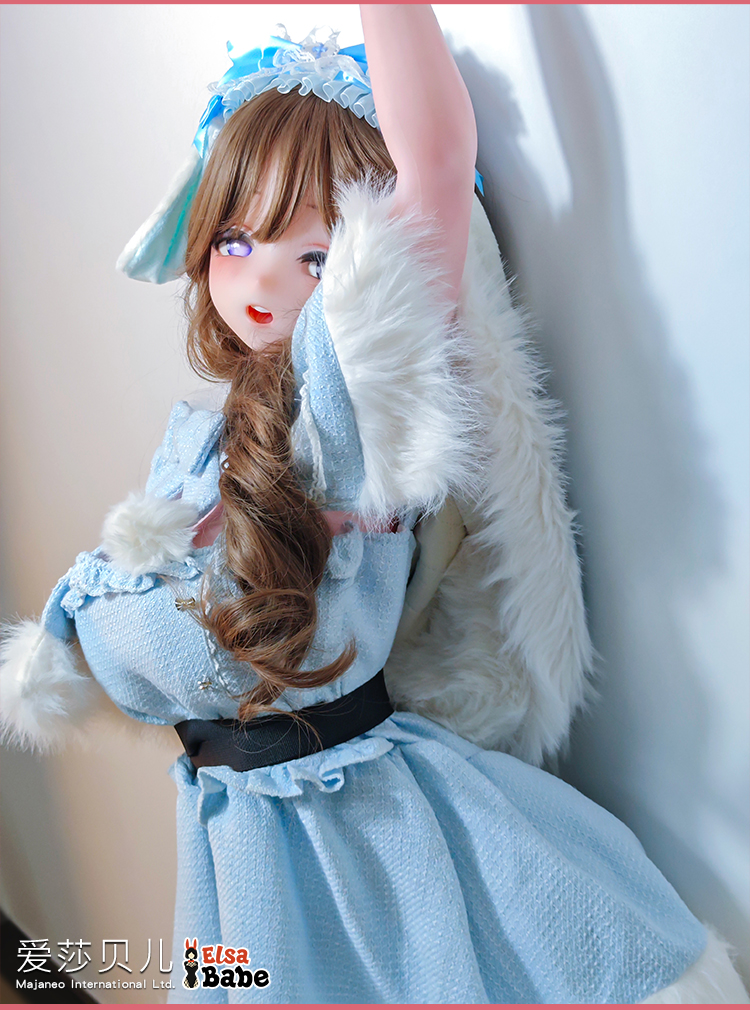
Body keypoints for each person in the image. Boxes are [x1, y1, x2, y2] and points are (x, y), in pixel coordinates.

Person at [1, 6, 746, 1004]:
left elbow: (433, 172)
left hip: (356, 824)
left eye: (315, 258)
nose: (261, 280)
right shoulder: (208, 440)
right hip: (234, 838)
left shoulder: (340, 408)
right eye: (234, 239)